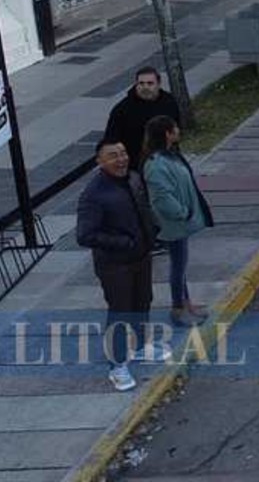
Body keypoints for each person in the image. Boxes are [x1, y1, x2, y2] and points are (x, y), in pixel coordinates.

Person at [77, 140, 171, 392]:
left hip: (141, 257)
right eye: (112, 156)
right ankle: (117, 366)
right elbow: (85, 235)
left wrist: (152, 232)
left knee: (143, 303)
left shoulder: (133, 178)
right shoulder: (93, 195)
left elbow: (143, 208)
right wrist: (124, 243)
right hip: (115, 265)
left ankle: (141, 347)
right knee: (120, 313)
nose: (120, 159)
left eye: (123, 153)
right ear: (99, 161)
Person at [141, 115, 213, 328]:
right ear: (167, 134)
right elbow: (162, 198)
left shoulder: (168, 156)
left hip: (180, 220)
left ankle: (186, 303)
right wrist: (183, 212)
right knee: (178, 266)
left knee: (180, 264)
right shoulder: (156, 163)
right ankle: (177, 308)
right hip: (174, 223)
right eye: (175, 129)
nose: (178, 131)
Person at [103, 66, 182, 164]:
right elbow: (111, 139)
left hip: (168, 159)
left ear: (158, 84)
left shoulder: (169, 102)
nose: (145, 87)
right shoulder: (122, 109)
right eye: (141, 83)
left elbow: (176, 128)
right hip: (135, 163)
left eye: (150, 83)